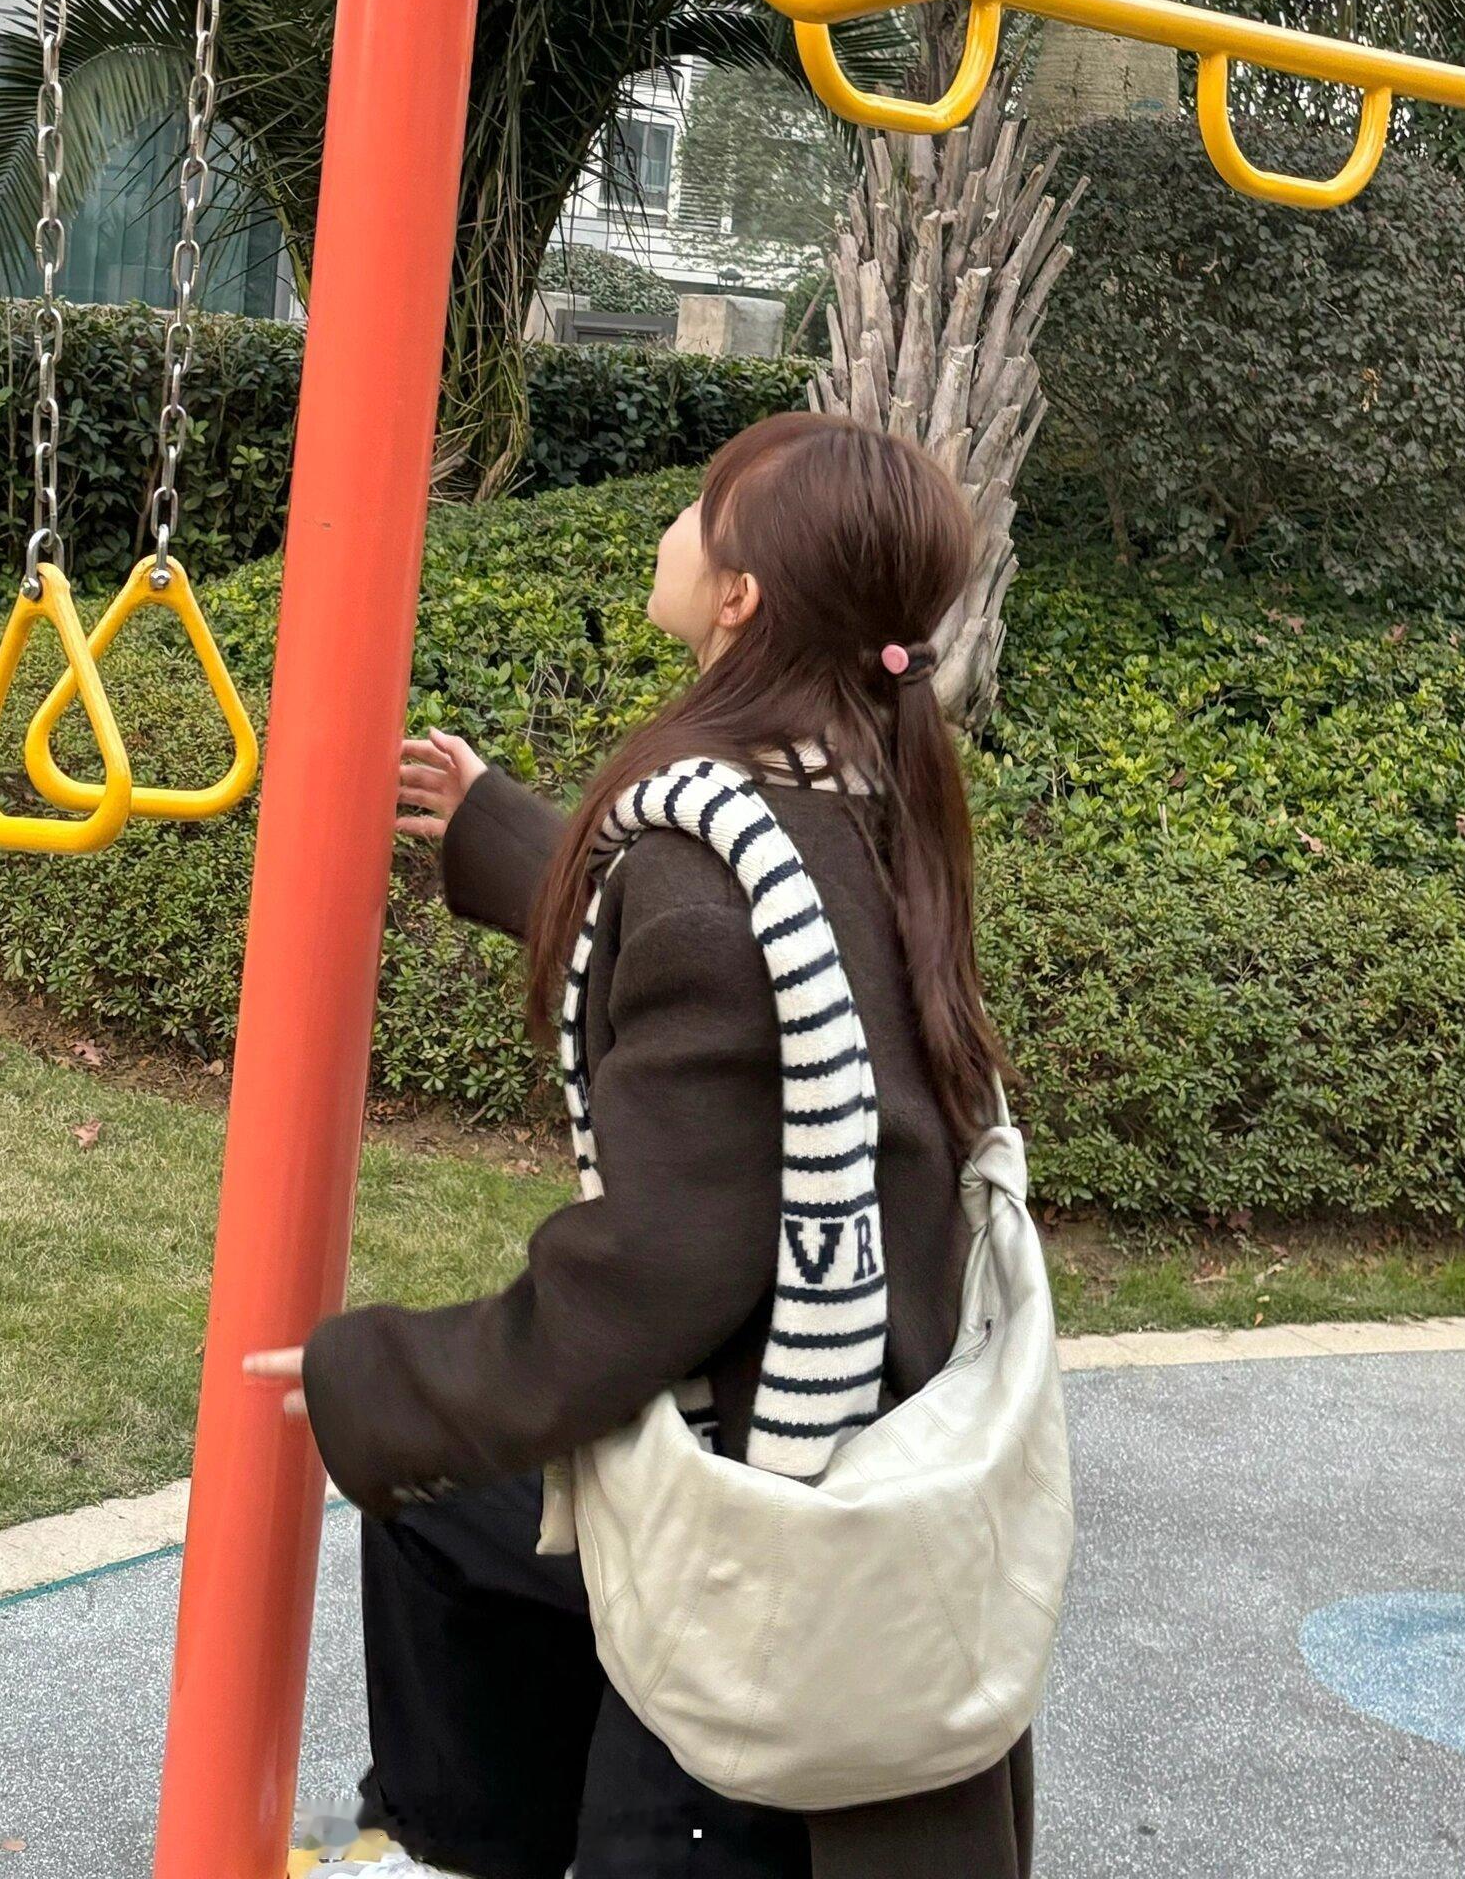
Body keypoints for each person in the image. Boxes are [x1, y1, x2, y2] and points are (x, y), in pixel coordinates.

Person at [247, 410, 1032, 1879]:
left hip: (760, 1526)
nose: (673, 527)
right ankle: (453, 1839)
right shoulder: (872, 800)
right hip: (877, 1424)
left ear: (739, 596)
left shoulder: (707, 869)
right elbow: (762, 965)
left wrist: (388, 1379)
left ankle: (481, 1833)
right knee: (448, 1524)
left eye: (699, 509)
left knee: (485, 1530)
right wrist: (498, 830)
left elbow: (663, 1271)